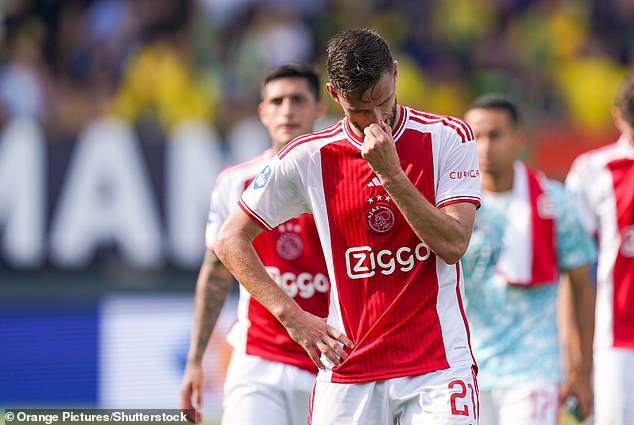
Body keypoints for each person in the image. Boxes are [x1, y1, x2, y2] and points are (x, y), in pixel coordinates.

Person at [214, 28, 482, 425]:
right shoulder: (307, 157)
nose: (376, 119)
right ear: (335, 95)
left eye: (384, 102)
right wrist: (292, 316)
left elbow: (454, 243)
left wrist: (391, 174)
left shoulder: (446, 136)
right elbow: (229, 240)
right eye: (360, 110)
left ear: (395, 73)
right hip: (349, 366)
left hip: (437, 365)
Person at [180, 64, 329, 425]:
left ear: (320, 108)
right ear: (263, 112)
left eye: (298, 99)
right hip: (258, 362)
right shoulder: (235, 183)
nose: (288, 110)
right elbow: (215, 274)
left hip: (331, 362)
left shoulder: (341, 177)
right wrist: (195, 361)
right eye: (277, 101)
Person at [461, 95, 596, 425]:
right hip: (465, 365)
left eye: (496, 135)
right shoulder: (453, 206)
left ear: (519, 139)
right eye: (476, 136)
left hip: (532, 367)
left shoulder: (555, 202)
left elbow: (582, 287)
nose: (486, 147)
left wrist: (583, 371)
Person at [565, 70, 634, 425]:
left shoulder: (591, 170)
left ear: (616, 116)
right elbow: (573, 269)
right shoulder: (596, 170)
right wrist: (576, 356)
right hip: (617, 337)